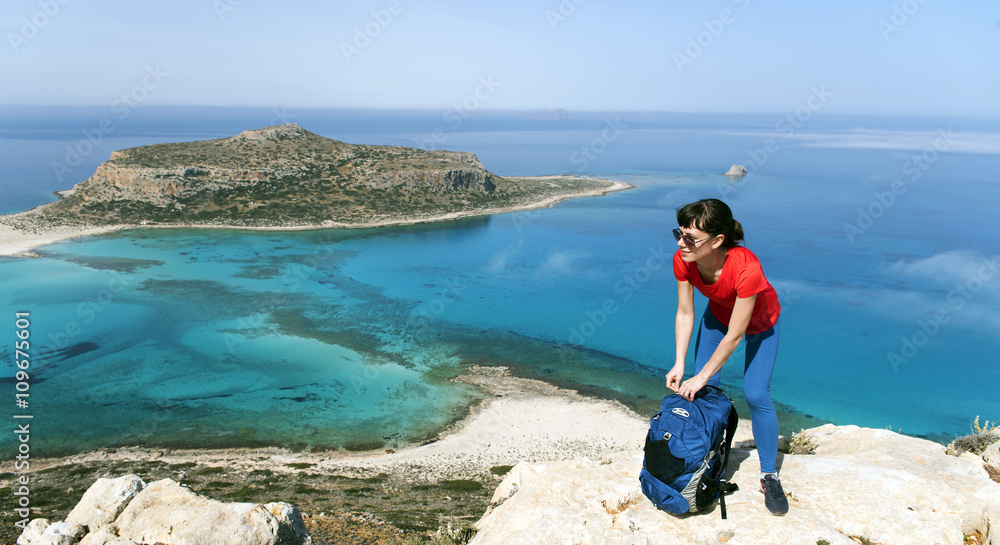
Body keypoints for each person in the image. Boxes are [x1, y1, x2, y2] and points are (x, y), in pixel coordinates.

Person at [664, 198, 788, 516]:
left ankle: (769, 475)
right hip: (718, 316)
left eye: (691, 238)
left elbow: (736, 335)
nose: (681, 243)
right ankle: (705, 459)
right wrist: (680, 363)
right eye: (679, 233)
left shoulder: (745, 267)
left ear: (718, 240)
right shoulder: (684, 260)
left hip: (761, 324)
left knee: (756, 393)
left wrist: (701, 374)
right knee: (705, 391)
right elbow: (685, 311)